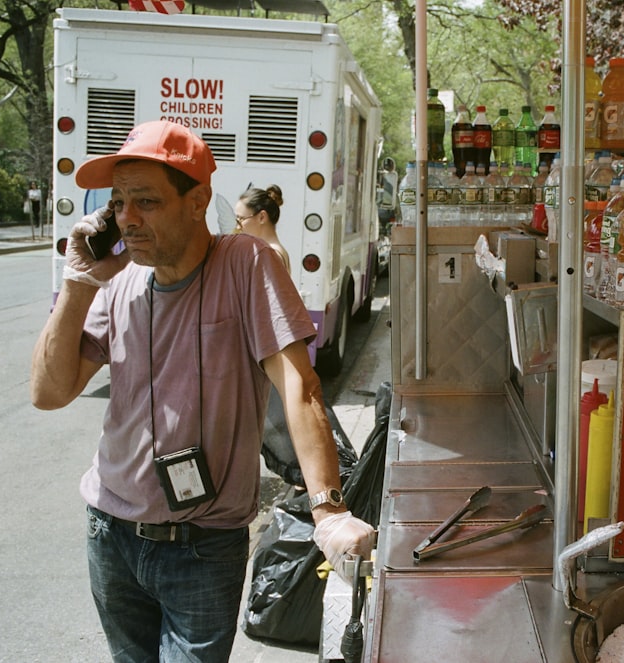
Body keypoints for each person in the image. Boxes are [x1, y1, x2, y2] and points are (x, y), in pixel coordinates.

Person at [29, 120, 373, 662]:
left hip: (202, 545)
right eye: (119, 203)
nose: (127, 218)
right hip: (110, 534)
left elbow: (299, 387)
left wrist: (327, 509)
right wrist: (78, 282)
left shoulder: (245, 264)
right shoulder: (115, 280)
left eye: (146, 201)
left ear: (198, 202)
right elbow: (48, 393)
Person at [234, 184, 290, 273]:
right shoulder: (272, 251)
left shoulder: (270, 254)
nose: (238, 227)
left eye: (241, 219)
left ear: (262, 217)